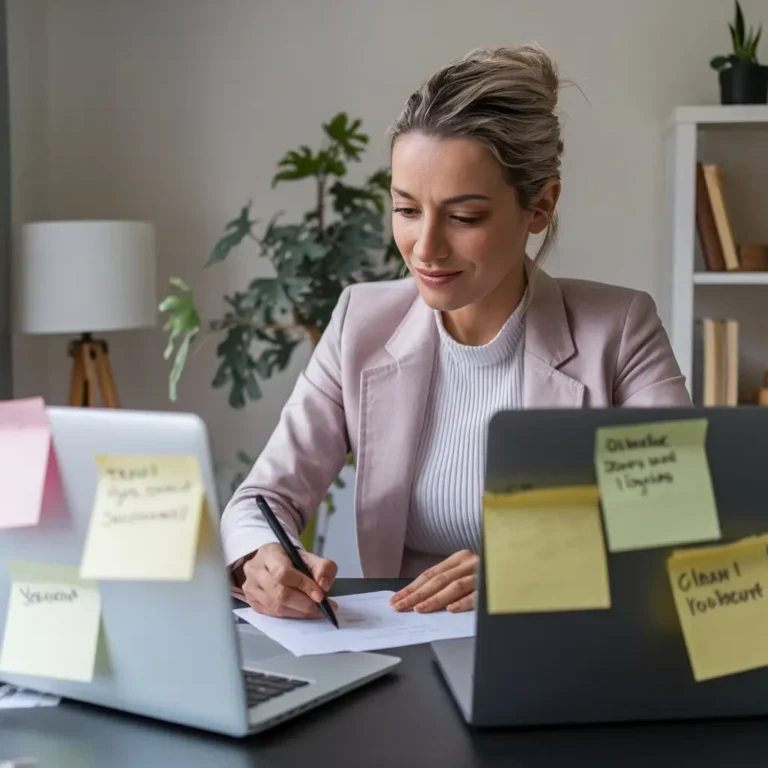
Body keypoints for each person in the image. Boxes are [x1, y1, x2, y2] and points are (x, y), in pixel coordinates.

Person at [221, 43, 691, 621]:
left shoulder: (619, 331)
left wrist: (524, 571)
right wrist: (258, 559)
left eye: (464, 217)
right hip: (400, 653)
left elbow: (677, 526)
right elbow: (263, 498)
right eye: (406, 209)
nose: (425, 247)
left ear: (540, 207)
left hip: (558, 645)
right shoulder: (359, 323)